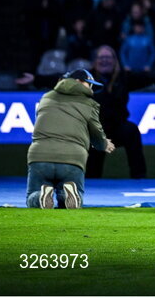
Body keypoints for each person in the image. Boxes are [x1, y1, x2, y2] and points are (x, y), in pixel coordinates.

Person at [18, 45, 155, 178]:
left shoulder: (124, 78)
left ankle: (140, 179)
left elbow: (150, 77)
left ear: (115, 60)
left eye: (108, 57)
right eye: (101, 57)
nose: (105, 60)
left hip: (117, 129)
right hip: (94, 131)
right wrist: (36, 78)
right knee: (92, 171)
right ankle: (92, 186)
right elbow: (60, 80)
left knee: (131, 131)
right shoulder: (84, 78)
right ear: (96, 61)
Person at [27, 69, 115, 208]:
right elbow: (96, 133)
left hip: (40, 156)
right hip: (72, 158)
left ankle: (41, 196)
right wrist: (103, 144)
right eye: (89, 83)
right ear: (79, 82)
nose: (91, 88)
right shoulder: (89, 103)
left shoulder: (46, 97)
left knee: (32, 196)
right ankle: (66, 195)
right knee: (74, 196)